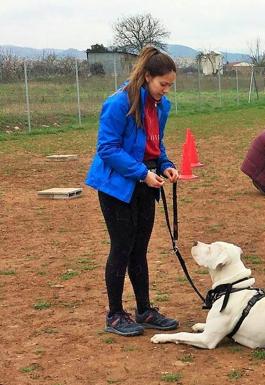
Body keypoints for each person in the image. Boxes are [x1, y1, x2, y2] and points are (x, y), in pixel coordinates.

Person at [85, 46, 180, 337]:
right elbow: (107, 149)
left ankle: (144, 309)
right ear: (148, 76)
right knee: (122, 248)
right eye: (162, 84)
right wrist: (142, 173)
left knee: (140, 249)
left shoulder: (161, 106)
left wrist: (165, 164)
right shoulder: (119, 103)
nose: (165, 90)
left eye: (170, 85)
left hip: (146, 182)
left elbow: (155, 143)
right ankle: (114, 314)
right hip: (117, 185)